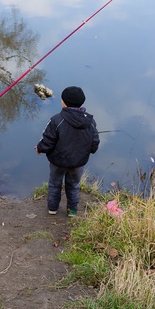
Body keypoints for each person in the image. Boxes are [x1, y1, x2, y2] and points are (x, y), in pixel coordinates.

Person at [35, 86, 100, 216]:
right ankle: (72, 211)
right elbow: (95, 143)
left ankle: (52, 209)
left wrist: (40, 148)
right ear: (82, 102)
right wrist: (89, 151)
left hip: (58, 161)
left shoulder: (56, 120)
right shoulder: (90, 122)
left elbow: (48, 139)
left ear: (63, 102)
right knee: (74, 185)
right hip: (78, 162)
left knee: (54, 184)